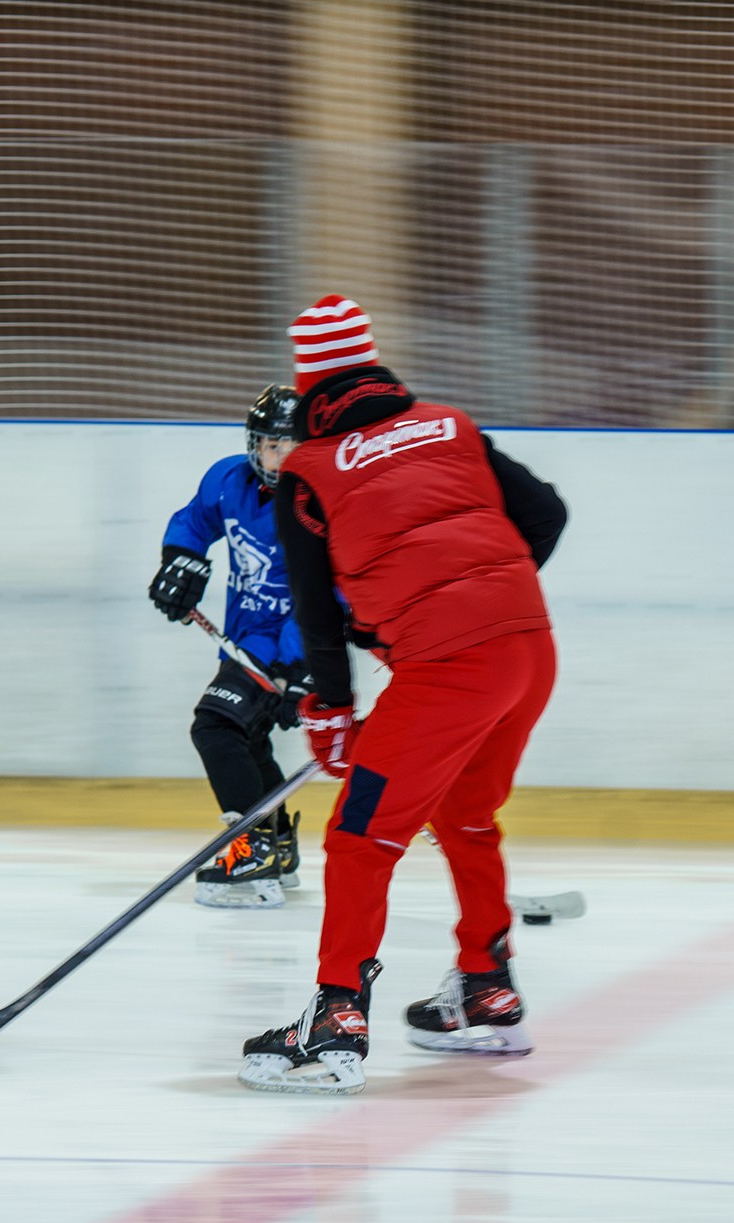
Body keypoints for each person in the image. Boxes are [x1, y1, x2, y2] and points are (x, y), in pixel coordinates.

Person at [237, 295, 568, 1094]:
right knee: (464, 814)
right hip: (529, 647)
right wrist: (475, 595)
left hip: (451, 671)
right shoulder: (450, 425)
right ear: (372, 363)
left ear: (309, 382)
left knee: (361, 836)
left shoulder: (309, 471)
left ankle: (334, 1020)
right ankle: (486, 985)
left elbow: (316, 610)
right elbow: (548, 514)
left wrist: (331, 708)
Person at [148, 385, 313, 909]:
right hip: (245, 636)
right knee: (249, 738)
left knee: (215, 728)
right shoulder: (228, 480)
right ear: (253, 445)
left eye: (291, 447)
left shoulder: (320, 507)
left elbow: (326, 596)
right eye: (271, 445)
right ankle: (277, 844)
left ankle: (251, 850)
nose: (279, 458)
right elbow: (194, 521)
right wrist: (181, 561)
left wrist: (295, 664)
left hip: (289, 639)